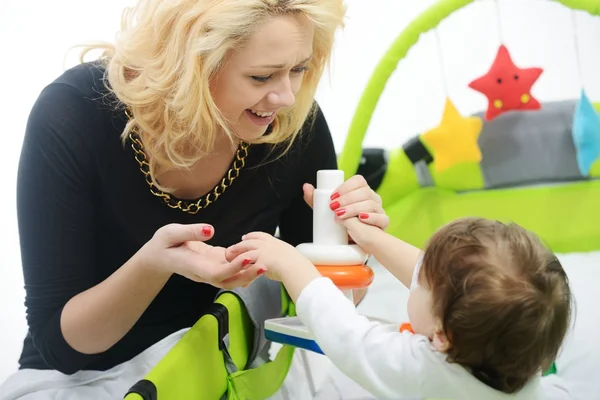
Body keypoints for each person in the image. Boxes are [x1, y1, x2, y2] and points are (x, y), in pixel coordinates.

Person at [1, 0, 391, 398]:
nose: (287, 96)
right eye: (261, 76)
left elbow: (324, 313)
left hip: (223, 366)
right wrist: (155, 264)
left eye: (299, 69)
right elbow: (61, 347)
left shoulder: (290, 124)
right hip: (90, 379)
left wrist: (352, 249)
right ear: (191, 63)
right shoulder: (74, 114)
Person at [226, 216, 573, 399]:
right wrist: (373, 239)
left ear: (441, 336)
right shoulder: (516, 355)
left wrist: (290, 263)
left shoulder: (426, 372)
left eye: (422, 285)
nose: (416, 279)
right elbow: (439, 281)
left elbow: (346, 333)